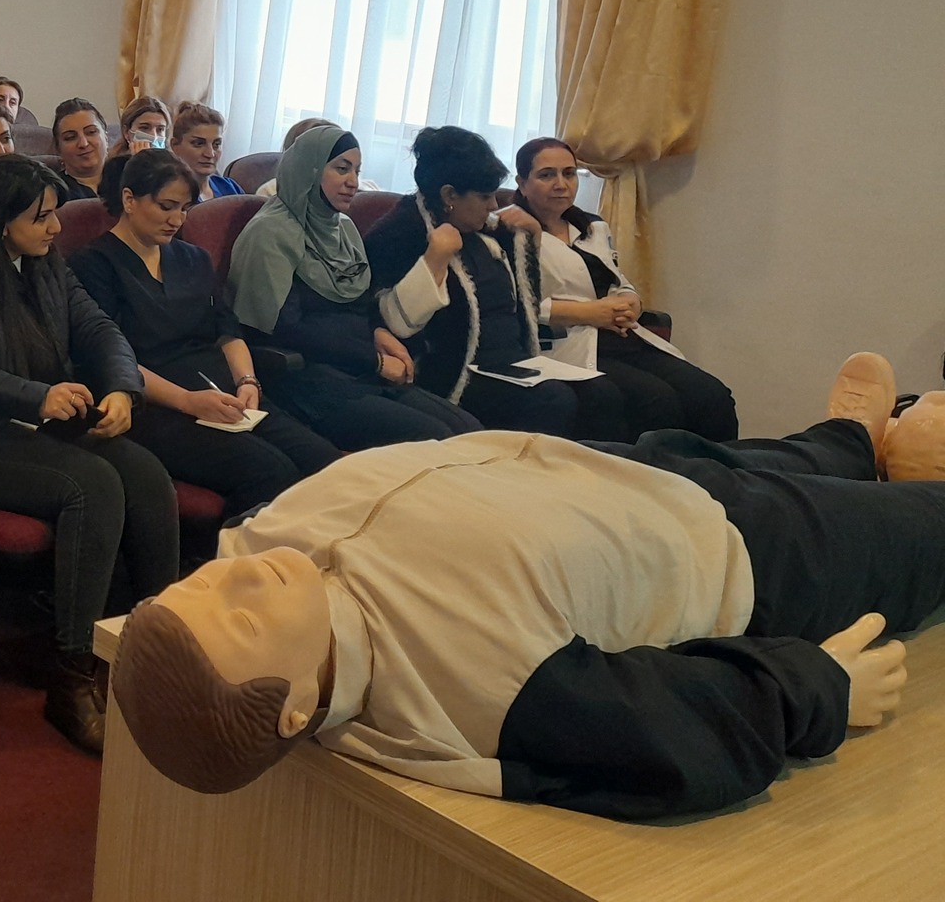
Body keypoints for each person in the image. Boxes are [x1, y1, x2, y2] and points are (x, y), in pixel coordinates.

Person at [110, 354, 938, 821]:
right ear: (296, 709)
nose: (238, 574)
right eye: (243, 619)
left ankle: (852, 439)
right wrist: (818, 690)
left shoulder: (260, 542)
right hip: (743, 553)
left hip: (623, 473)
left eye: (203, 584)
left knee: (791, 453)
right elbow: (666, 726)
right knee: (917, 526)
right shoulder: (476, 688)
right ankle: (906, 471)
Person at [0, 155, 179, 754]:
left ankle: (151, 646)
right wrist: (33, 395)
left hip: (47, 419)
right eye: (42, 217)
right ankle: (71, 674)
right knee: (93, 486)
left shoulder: (46, 261)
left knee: (146, 475)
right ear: (2, 219)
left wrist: (121, 388)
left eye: (55, 214)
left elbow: (101, 331)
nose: (57, 227)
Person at [71, 150, 340, 518]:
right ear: (129, 200)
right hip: (155, 403)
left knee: (324, 461)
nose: (177, 220)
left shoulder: (192, 258)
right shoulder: (94, 264)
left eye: (184, 209)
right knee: (270, 471)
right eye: (166, 206)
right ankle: (236, 553)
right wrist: (187, 401)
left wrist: (247, 381)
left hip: (221, 392)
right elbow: (111, 356)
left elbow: (226, 329)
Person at [365, 126, 630, 441]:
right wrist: (435, 258)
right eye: (484, 196)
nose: (494, 205)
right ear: (449, 196)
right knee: (553, 400)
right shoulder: (400, 234)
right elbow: (395, 323)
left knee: (602, 393)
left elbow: (530, 302)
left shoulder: (493, 232)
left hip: (515, 362)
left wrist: (532, 238)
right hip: (455, 372)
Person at [227, 123, 482, 449]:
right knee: (436, 438)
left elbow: (361, 303)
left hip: (357, 368)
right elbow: (285, 330)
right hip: (307, 379)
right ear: (309, 170)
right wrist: (374, 360)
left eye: (357, 171)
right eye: (341, 168)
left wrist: (379, 333)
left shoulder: (343, 228)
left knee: (469, 430)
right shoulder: (271, 233)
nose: (353, 182)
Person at [514, 137, 738, 440]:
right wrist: (590, 313)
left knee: (712, 395)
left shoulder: (593, 228)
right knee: (657, 401)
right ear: (522, 183)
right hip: (565, 344)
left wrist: (631, 301)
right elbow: (515, 303)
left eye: (569, 173)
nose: (561, 184)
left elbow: (618, 281)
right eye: (546, 175)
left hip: (620, 336)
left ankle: (721, 468)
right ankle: (654, 470)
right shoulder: (510, 231)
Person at [169, 102, 240, 198]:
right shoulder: (168, 196)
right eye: (199, 144)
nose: (210, 154)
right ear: (175, 145)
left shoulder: (229, 188)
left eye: (216, 144)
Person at [51, 99, 110, 202]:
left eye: (91, 132)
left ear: (105, 136)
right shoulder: (53, 193)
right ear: (58, 148)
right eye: (70, 137)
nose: (83, 143)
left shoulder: (129, 177)